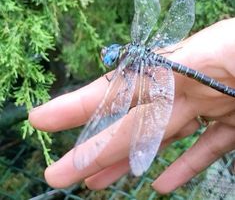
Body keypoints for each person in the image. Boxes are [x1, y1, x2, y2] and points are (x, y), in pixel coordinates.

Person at [29, 18, 235, 194]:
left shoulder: (128, 68)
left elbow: (125, 81)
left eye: (112, 57)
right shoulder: (136, 53)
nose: (110, 58)